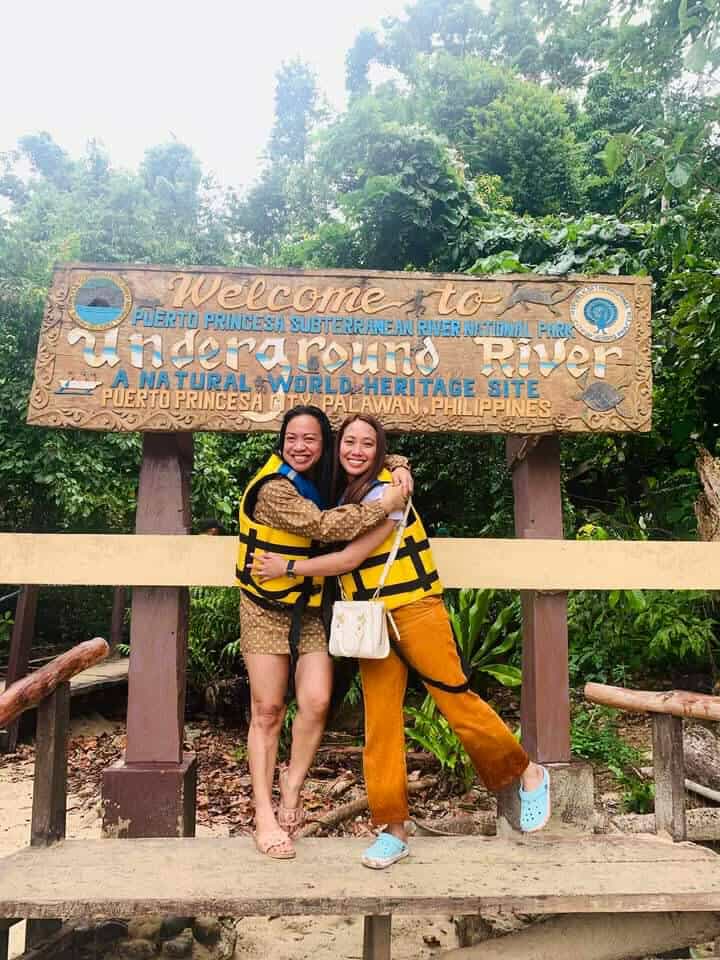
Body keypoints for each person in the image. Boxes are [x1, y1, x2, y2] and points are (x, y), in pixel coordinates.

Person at [255, 413, 550, 869]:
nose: (356, 451)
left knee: (455, 699)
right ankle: (392, 827)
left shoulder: (389, 491)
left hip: (415, 609)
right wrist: (398, 460)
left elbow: (349, 556)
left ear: (378, 451)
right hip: (370, 620)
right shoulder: (347, 492)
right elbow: (346, 515)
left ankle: (526, 771)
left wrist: (288, 569)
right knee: (381, 723)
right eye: (348, 442)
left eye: (367, 444)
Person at [236, 404, 411, 860]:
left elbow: (369, 458)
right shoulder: (275, 489)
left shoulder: (325, 479)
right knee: (268, 709)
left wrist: (398, 466)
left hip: (310, 608)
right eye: (292, 438)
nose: (300, 446)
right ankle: (264, 815)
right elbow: (322, 525)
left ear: (323, 445)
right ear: (281, 441)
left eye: (311, 439)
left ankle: (292, 789)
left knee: (315, 701)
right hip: (264, 606)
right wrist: (387, 504)